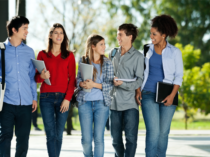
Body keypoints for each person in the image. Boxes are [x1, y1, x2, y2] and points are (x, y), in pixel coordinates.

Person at [0, 16, 37, 157]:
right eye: (24, 28)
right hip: (6, 101)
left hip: (26, 102)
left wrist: (34, 97)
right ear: (14, 30)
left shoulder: (29, 51)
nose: (27, 31)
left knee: (23, 139)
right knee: (5, 136)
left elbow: (31, 77)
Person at [135, 14, 183, 157]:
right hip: (148, 94)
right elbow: (139, 73)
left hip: (168, 95)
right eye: (150, 33)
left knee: (163, 133)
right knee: (153, 132)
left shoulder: (175, 52)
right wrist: (138, 90)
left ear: (164, 35)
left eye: (154, 34)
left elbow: (179, 76)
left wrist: (172, 95)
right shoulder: (146, 50)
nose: (151, 36)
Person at [35, 23, 76, 157]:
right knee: (50, 134)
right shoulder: (42, 54)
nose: (59, 35)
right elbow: (35, 78)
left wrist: (67, 99)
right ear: (51, 36)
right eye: (56, 33)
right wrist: (42, 76)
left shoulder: (69, 56)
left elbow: (72, 80)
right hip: (46, 97)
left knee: (58, 134)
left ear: (64, 37)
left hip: (63, 98)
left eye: (61, 33)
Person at [109, 24, 144, 157]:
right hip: (114, 103)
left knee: (131, 139)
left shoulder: (138, 57)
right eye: (118, 34)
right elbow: (108, 73)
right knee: (115, 141)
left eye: (120, 34)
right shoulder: (112, 53)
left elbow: (139, 80)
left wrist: (122, 84)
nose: (118, 37)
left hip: (130, 104)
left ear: (130, 37)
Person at [76, 34, 114, 157]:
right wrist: (81, 83)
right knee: (86, 140)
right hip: (84, 103)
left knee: (98, 139)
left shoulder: (107, 63)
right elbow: (78, 80)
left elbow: (110, 85)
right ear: (93, 46)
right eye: (101, 44)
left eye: (104, 44)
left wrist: (94, 84)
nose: (104, 47)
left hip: (101, 104)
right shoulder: (82, 60)